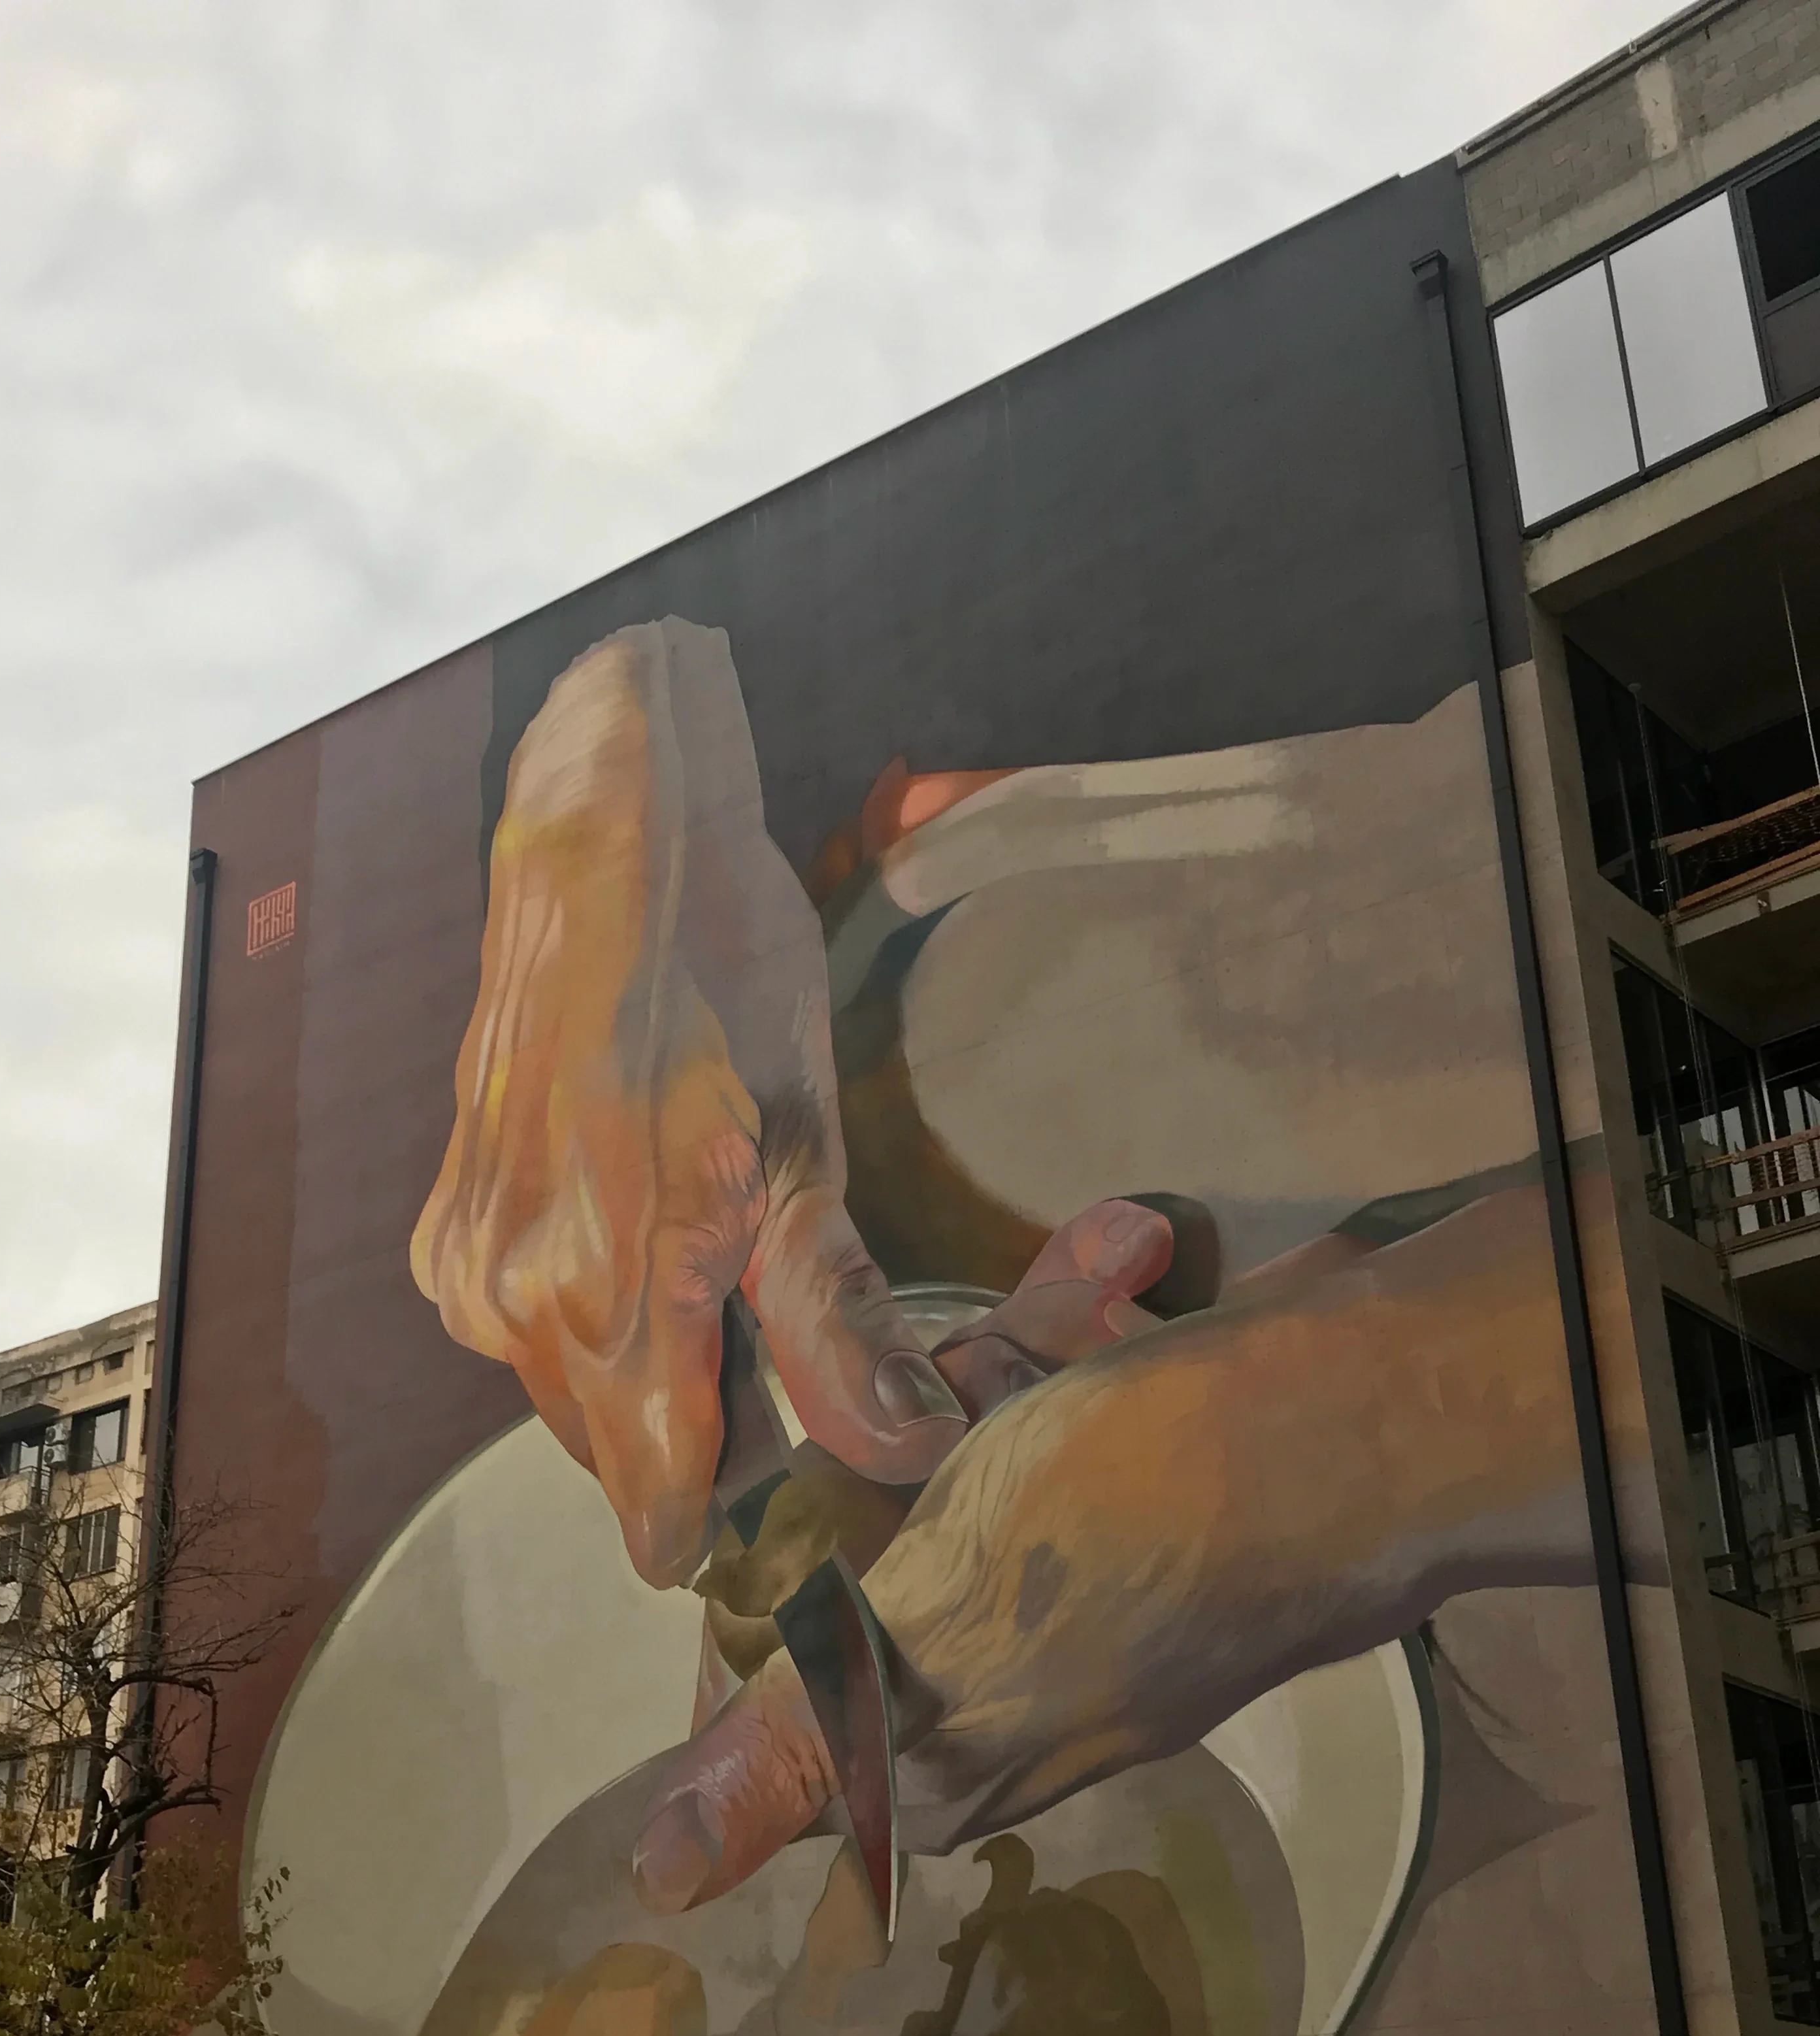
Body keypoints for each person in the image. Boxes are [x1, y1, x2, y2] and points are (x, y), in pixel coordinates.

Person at [412, 619, 1598, 1920]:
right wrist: (607, 725)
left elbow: (1705, 1272)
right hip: (994, 917)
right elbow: (773, 594)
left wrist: (1368, 1424)